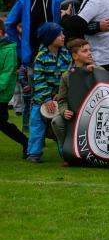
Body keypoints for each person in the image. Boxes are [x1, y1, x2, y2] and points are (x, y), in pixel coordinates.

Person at [5, 0, 69, 131]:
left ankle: (59, 133)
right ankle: (36, 138)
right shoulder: (24, 0)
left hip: (61, 56)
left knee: (62, 97)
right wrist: (21, 48)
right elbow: (9, 24)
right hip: (34, 57)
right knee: (38, 98)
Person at [26, 23, 71, 162]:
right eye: (59, 35)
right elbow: (39, 80)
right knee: (37, 126)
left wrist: (60, 94)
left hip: (60, 99)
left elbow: (68, 76)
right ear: (50, 37)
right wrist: (46, 99)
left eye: (63, 34)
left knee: (61, 127)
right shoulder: (41, 57)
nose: (63, 37)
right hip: (41, 100)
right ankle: (34, 153)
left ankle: (66, 154)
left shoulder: (66, 55)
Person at [50, 39, 94, 157]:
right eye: (85, 51)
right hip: (74, 114)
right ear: (75, 56)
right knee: (57, 121)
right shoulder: (66, 76)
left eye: (90, 50)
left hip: (94, 115)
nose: (89, 53)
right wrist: (64, 111)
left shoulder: (99, 71)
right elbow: (62, 100)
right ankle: (68, 152)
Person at [0, 21, 27, 157]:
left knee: (2, 123)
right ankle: (26, 142)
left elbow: (7, 73)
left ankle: (26, 142)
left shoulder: (9, 49)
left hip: (2, 94)